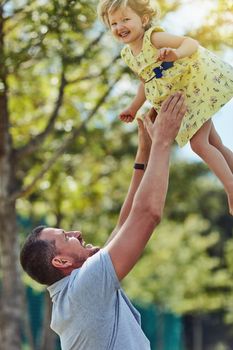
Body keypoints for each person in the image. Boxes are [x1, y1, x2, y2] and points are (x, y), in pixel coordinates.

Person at [20, 93, 186, 350]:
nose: (76, 232)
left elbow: (123, 226)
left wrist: (144, 152)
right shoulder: (83, 289)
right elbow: (147, 215)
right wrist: (163, 141)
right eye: (66, 237)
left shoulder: (73, 293)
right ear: (61, 261)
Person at [97, 0, 233, 215]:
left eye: (125, 19)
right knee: (214, 143)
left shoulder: (154, 38)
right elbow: (146, 80)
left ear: (143, 20)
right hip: (181, 97)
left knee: (199, 144)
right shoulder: (127, 54)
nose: (119, 26)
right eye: (113, 23)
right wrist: (133, 108)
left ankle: (231, 189)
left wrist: (176, 54)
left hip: (193, 87)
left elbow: (191, 43)